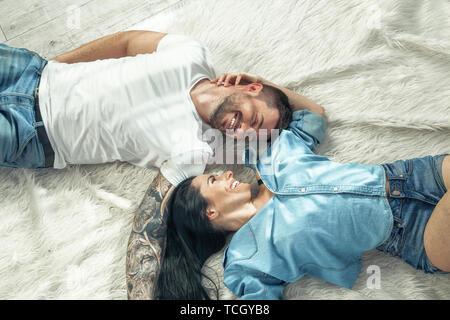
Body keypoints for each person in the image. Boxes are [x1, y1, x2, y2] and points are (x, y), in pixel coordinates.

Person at [0, 31, 325, 299]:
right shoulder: (191, 53)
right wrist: (53, 67)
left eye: (250, 133)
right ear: (251, 88)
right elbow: (126, 43)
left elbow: (316, 116)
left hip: (30, 132)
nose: (241, 131)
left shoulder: (196, 151)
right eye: (253, 118)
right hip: (28, 70)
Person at [155, 109, 450, 300]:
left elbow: (313, 117)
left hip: (414, 175)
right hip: (413, 237)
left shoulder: (270, 157)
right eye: (214, 180)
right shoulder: (245, 260)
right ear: (210, 212)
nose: (227, 173)